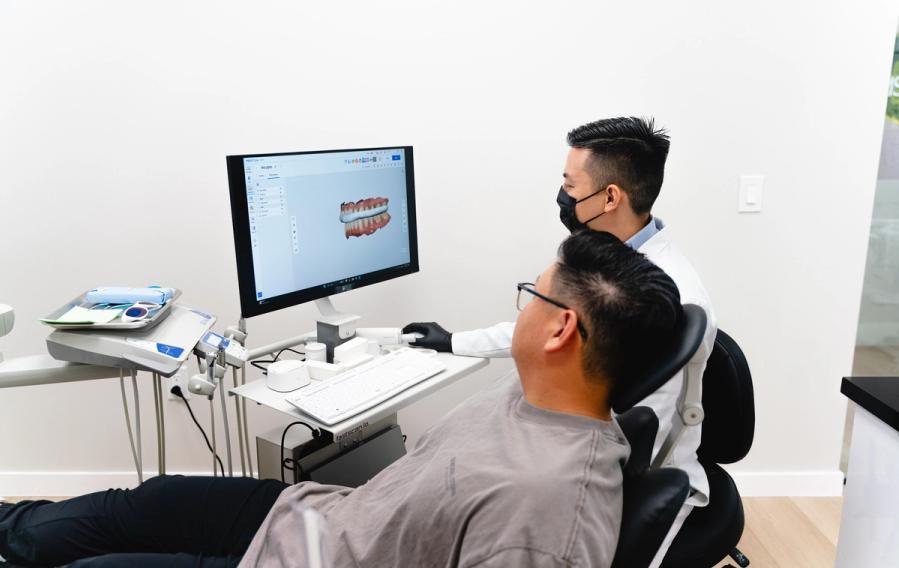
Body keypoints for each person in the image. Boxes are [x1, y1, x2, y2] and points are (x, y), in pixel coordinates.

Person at [0, 231, 682, 568]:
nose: (520, 308)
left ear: (560, 331)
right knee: (146, 503)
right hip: (318, 517)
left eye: (530, 296)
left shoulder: (545, 512)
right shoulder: (543, 394)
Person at [404, 116, 717, 567]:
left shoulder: (668, 299)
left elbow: (646, 429)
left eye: (571, 186)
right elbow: (549, 318)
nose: (563, 196)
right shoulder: (607, 258)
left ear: (610, 197)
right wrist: (454, 340)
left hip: (626, 477)